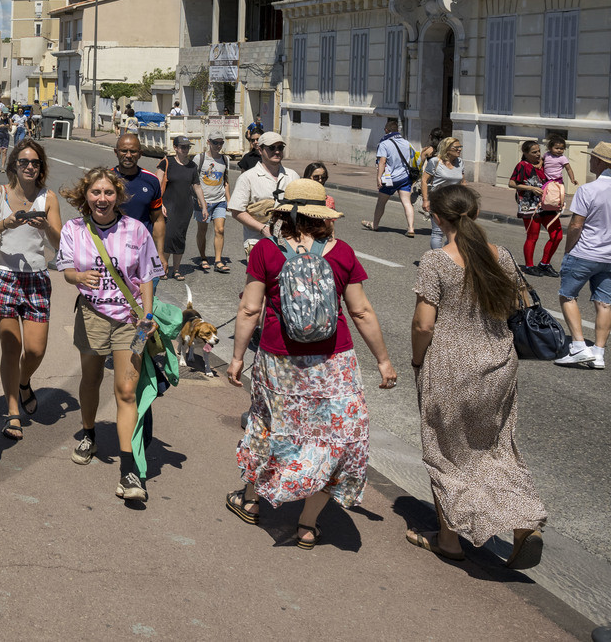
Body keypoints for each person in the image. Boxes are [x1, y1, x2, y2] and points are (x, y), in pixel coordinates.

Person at [225, 178, 396, 550]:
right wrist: (383, 361)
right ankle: (307, 524)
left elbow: (250, 308)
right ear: (322, 216)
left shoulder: (265, 250)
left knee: (270, 427)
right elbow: (362, 311)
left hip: (279, 360)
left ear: (284, 213)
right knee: (333, 439)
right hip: (334, 362)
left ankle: (252, 501)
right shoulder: (342, 252)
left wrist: (237, 357)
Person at [407, 185, 547, 567]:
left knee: (446, 452)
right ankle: (524, 520)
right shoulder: (500, 255)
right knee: (494, 448)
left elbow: (423, 325)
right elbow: (516, 303)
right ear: (477, 212)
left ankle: (449, 539)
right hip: (499, 363)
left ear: (437, 217)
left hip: (451, 366)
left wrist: (418, 362)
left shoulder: (436, 260)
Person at [56, 166, 165, 502]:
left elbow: (147, 274)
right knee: (90, 379)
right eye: (95, 192)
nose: (102, 199)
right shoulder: (74, 229)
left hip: (130, 321)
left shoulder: (136, 230)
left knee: (126, 390)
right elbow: (66, 269)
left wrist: (147, 315)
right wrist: (77, 278)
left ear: (118, 196)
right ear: (85, 195)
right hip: (92, 316)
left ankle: (129, 470)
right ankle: (88, 433)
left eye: (108, 193)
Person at [0, 138, 61, 441]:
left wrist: (45, 227)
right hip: (6, 278)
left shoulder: (48, 197)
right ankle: (13, 412)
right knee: (11, 349)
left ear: (41, 167)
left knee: (35, 350)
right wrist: (5, 224)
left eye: (35, 162)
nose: (29, 166)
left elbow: (59, 243)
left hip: (37, 279)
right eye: (23, 161)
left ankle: (25, 381)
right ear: (14, 164)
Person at [554, 140, 611, 369]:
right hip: (609, 256)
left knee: (567, 295)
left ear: (599, 161)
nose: (589, 160)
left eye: (592, 157)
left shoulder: (588, 190)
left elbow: (576, 225)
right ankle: (599, 352)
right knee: (605, 303)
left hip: (585, 252)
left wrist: (568, 251)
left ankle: (578, 346)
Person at [228, 132, 299, 253]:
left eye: (280, 148)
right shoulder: (247, 178)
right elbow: (237, 211)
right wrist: (263, 229)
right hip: (258, 242)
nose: (277, 151)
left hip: (290, 242)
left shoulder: (293, 176)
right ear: (260, 150)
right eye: (272, 148)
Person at [156, 136, 204, 282]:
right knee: (168, 236)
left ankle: (176, 270)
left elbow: (196, 185)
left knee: (180, 237)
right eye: (182, 147)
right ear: (175, 148)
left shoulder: (192, 166)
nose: (185, 150)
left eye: (187, 147)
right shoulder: (166, 163)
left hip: (185, 207)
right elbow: (157, 185)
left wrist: (203, 205)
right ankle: (163, 268)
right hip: (168, 205)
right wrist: (160, 204)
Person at [113, 134, 165, 258]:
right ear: (116, 152)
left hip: (144, 252)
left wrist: (160, 254)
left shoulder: (151, 181)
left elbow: (158, 220)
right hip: (113, 251)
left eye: (133, 151)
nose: (128, 155)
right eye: (124, 151)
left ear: (140, 153)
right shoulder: (106, 180)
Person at [509, 141, 557, 274]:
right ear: (525, 153)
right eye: (534, 152)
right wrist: (531, 188)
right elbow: (511, 183)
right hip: (529, 205)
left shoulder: (546, 162)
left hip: (548, 203)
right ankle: (529, 266)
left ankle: (544, 264)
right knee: (533, 236)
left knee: (557, 235)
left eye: (539, 151)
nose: (538, 154)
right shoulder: (522, 165)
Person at [364, 122, 417, 237]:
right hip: (405, 178)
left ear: (387, 130)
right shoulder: (406, 143)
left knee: (381, 203)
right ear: (397, 130)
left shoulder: (384, 143)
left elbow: (382, 161)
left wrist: (378, 177)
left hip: (390, 179)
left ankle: (375, 225)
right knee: (407, 203)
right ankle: (411, 228)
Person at [420, 137, 466, 249]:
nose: (459, 149)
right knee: (438, 232)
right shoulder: (435, 162)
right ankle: (437, 259)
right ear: (447, 148)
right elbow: (424, 180)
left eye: (460, 147)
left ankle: (446, 255)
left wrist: (467, 199)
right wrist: (425, 200)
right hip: (438, 201)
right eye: (456, 147)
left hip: (455, 202)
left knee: (455, 232)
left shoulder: (460, 162)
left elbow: (463, 182)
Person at [195, 136, 231, 273]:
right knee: (202, 230)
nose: (218, 145)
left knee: (220, 229)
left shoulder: (225, 159)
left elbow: (225, 181)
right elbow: (194, 181)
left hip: (219, 200)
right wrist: (198, 198)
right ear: (208, 142)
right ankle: (203, 257)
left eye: (221, 143)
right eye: (215, 142)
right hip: (203, 201)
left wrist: (229, 200)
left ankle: (218, 261)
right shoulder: (200, 159)